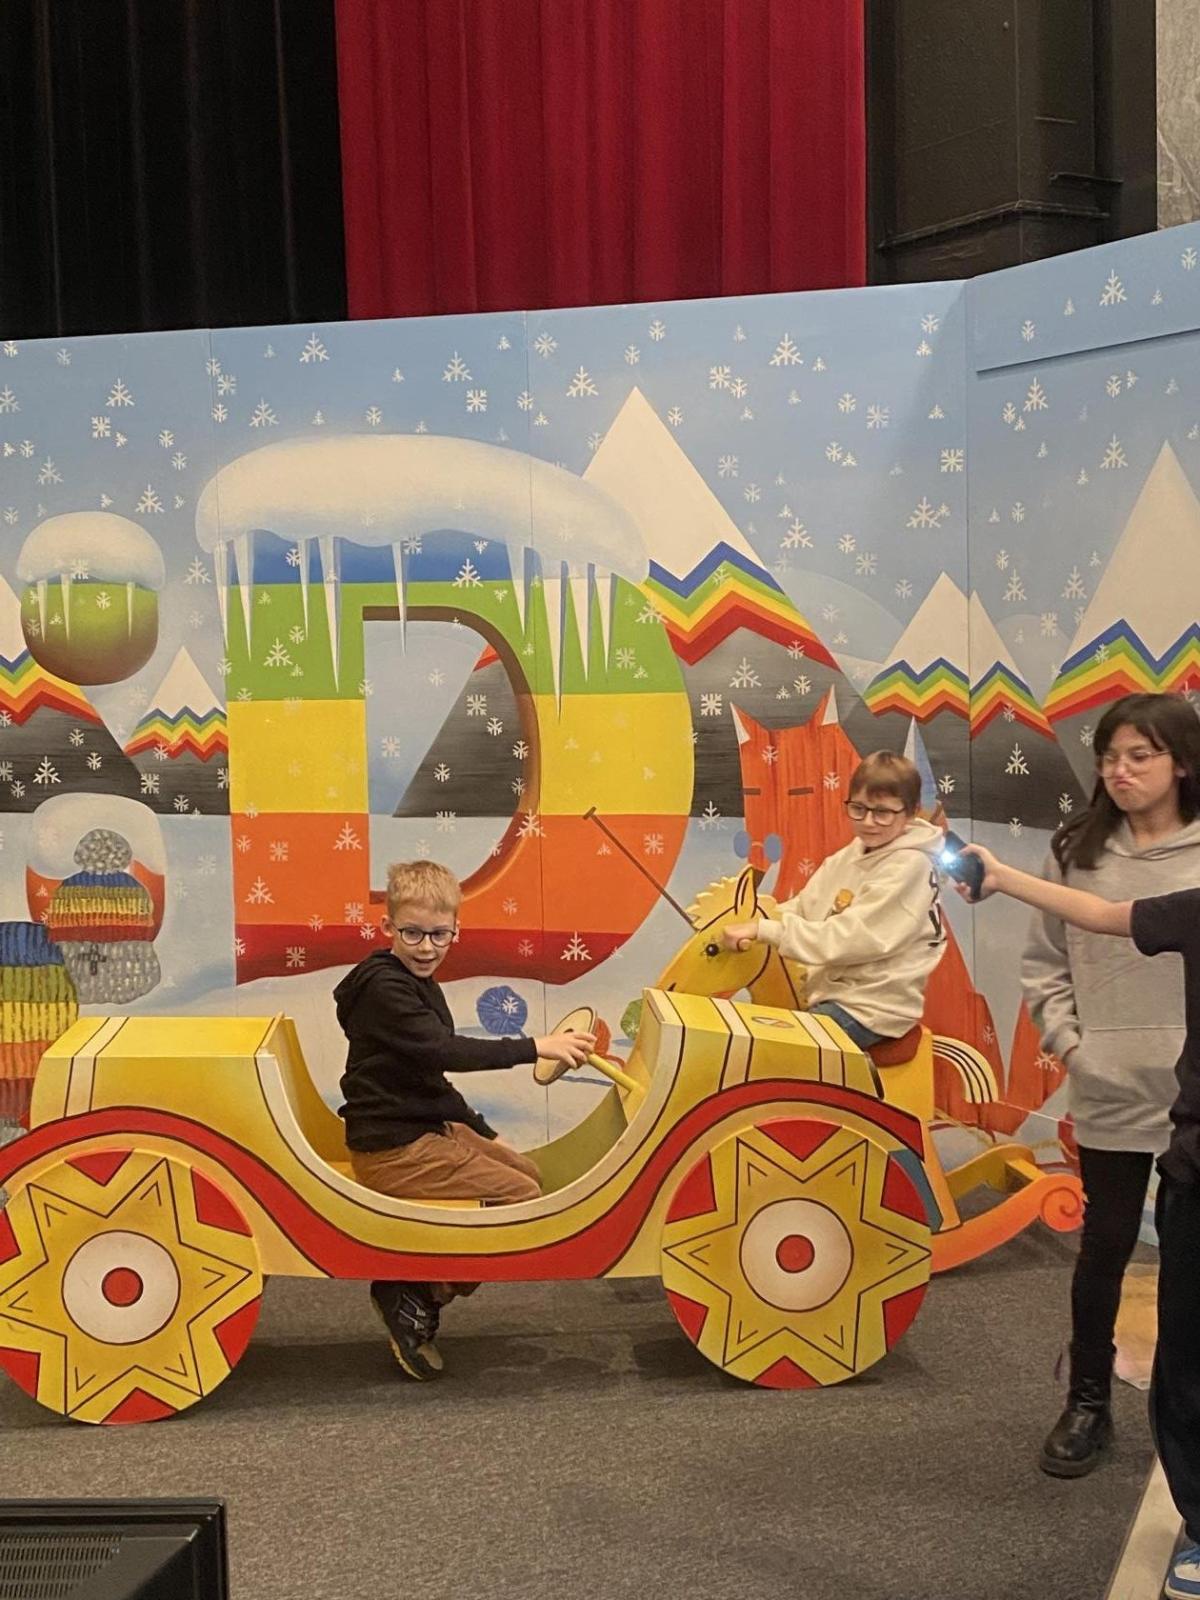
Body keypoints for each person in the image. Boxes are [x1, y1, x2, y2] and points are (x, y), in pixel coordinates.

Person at [963, 838, 1200, 1600]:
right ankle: (1197, 1522)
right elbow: (1099, 914)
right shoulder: (1190, 909)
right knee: (1183, 1346)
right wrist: (1003, 876)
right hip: (1186, 1155)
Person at [1020, 693, 1200, 1478]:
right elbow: (1044, 963)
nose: (1119, 771)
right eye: (1109, 757)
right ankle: (1088, 1401)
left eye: (1139, 756)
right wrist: (1073, 1047)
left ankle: (1186, 1412)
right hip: (1109, 1087)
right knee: (1105, 1246)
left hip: (1196, 1100)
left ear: (1181, 763)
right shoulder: (1076, 850)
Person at [335, 858, 594, 1380]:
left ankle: (423, 1283)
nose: (426, 947)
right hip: (393, 1147)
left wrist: (481, 1129)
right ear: (388, 927)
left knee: (529, 1176)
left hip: (420, 1125)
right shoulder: (386, 989)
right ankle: (418, 1293)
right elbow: (443, 1051)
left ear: (456, 929)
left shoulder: (417, 982)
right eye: (412, 933)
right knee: (518, 1199)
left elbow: (427, 1074)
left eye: (439, 934)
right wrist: (534, 1046)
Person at [722, 750, 946, 1048]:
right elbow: (805, 906)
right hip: (833, 994)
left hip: (871, 1007)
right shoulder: (851, 854)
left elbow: (852, 938)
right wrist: (755, 917)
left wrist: (766, 930)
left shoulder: (910, 866)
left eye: (882, 812)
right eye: (858, 808)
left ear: (911, 811)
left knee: (781, 1051)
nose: (868, 821)